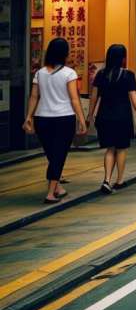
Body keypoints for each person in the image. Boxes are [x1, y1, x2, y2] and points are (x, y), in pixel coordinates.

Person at [22, 36, 86, 204]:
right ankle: (51, 193)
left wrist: (29, 117)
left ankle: (57, 186)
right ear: (64, 54)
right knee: (58, 155)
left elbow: (34, 96)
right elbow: (74, 99)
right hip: (63, 118)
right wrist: (81, 119)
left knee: (52, 155)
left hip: (42, 119)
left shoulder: (39, 73)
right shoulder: (69, 73)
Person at [88, 44, 136, 192]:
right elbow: (133, 98)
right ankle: (119, 180)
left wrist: (90, 115)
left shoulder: (101, 74)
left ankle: (106, 180)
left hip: (104, 117)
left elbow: (94, 97)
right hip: (122, 117)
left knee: (109, 149)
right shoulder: (128, 75)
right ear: (123, 58)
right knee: (121, 148)